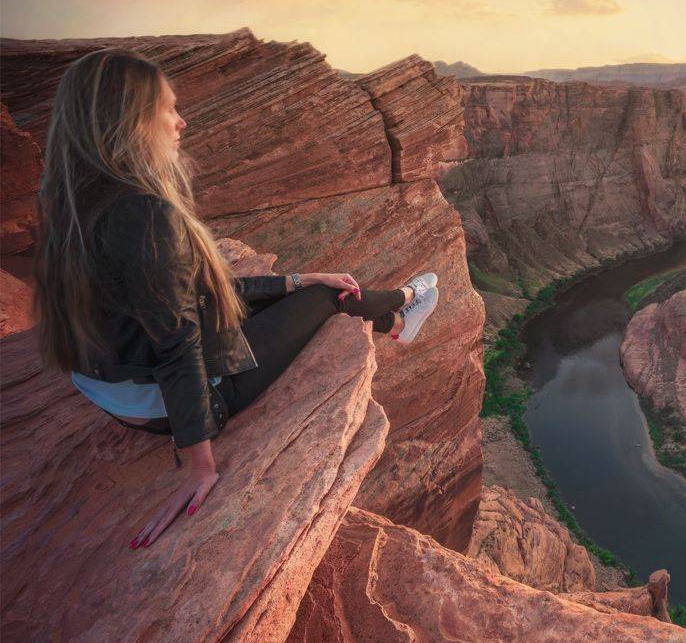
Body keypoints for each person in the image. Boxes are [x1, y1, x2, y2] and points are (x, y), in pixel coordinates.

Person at [33, 48, 439, 549]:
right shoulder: (143, 214)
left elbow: (195, 298)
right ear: (130, 122)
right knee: (328, 299)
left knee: (306, 288)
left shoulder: (70, 198)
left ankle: (396, 319)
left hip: (118, 395)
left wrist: (297, 277)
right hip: (167, 401)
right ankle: (402, 307)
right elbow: (178, 343)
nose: (181, 122)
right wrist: (198, 465)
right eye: (168, 109)